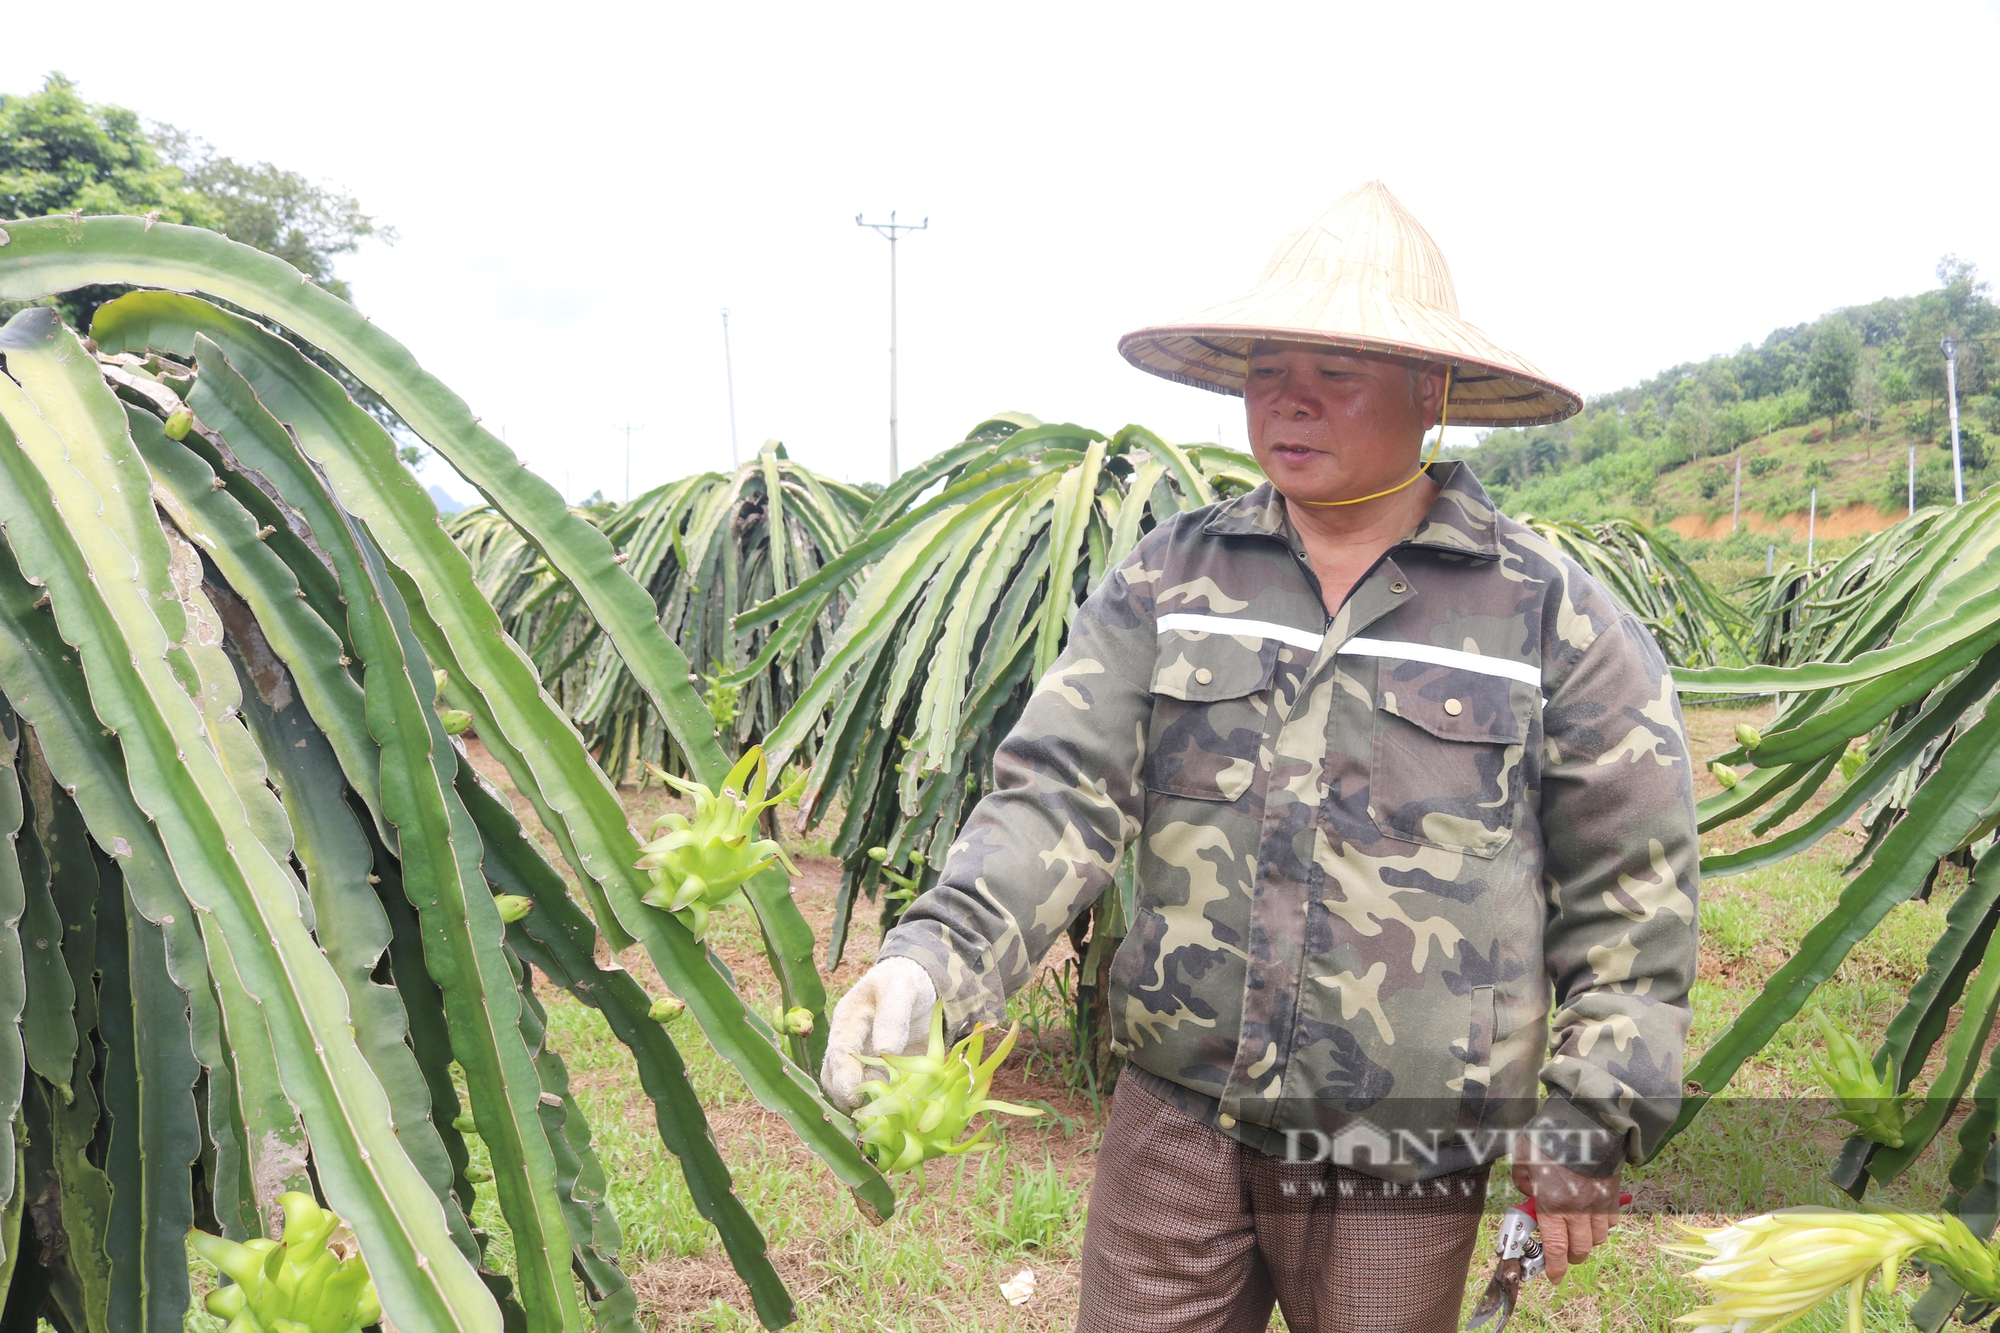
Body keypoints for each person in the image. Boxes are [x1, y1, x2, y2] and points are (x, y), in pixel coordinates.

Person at [822, 181, 1699, 1333]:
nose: (1287, 400)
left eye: (1335, 374)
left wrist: (1595, 1115)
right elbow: (1055, 799)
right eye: (1266, 368)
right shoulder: (1171, 581)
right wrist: (934, 960)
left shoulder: (1547, 617)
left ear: (1427, 391)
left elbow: (1630, 891)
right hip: (1176, 1119)